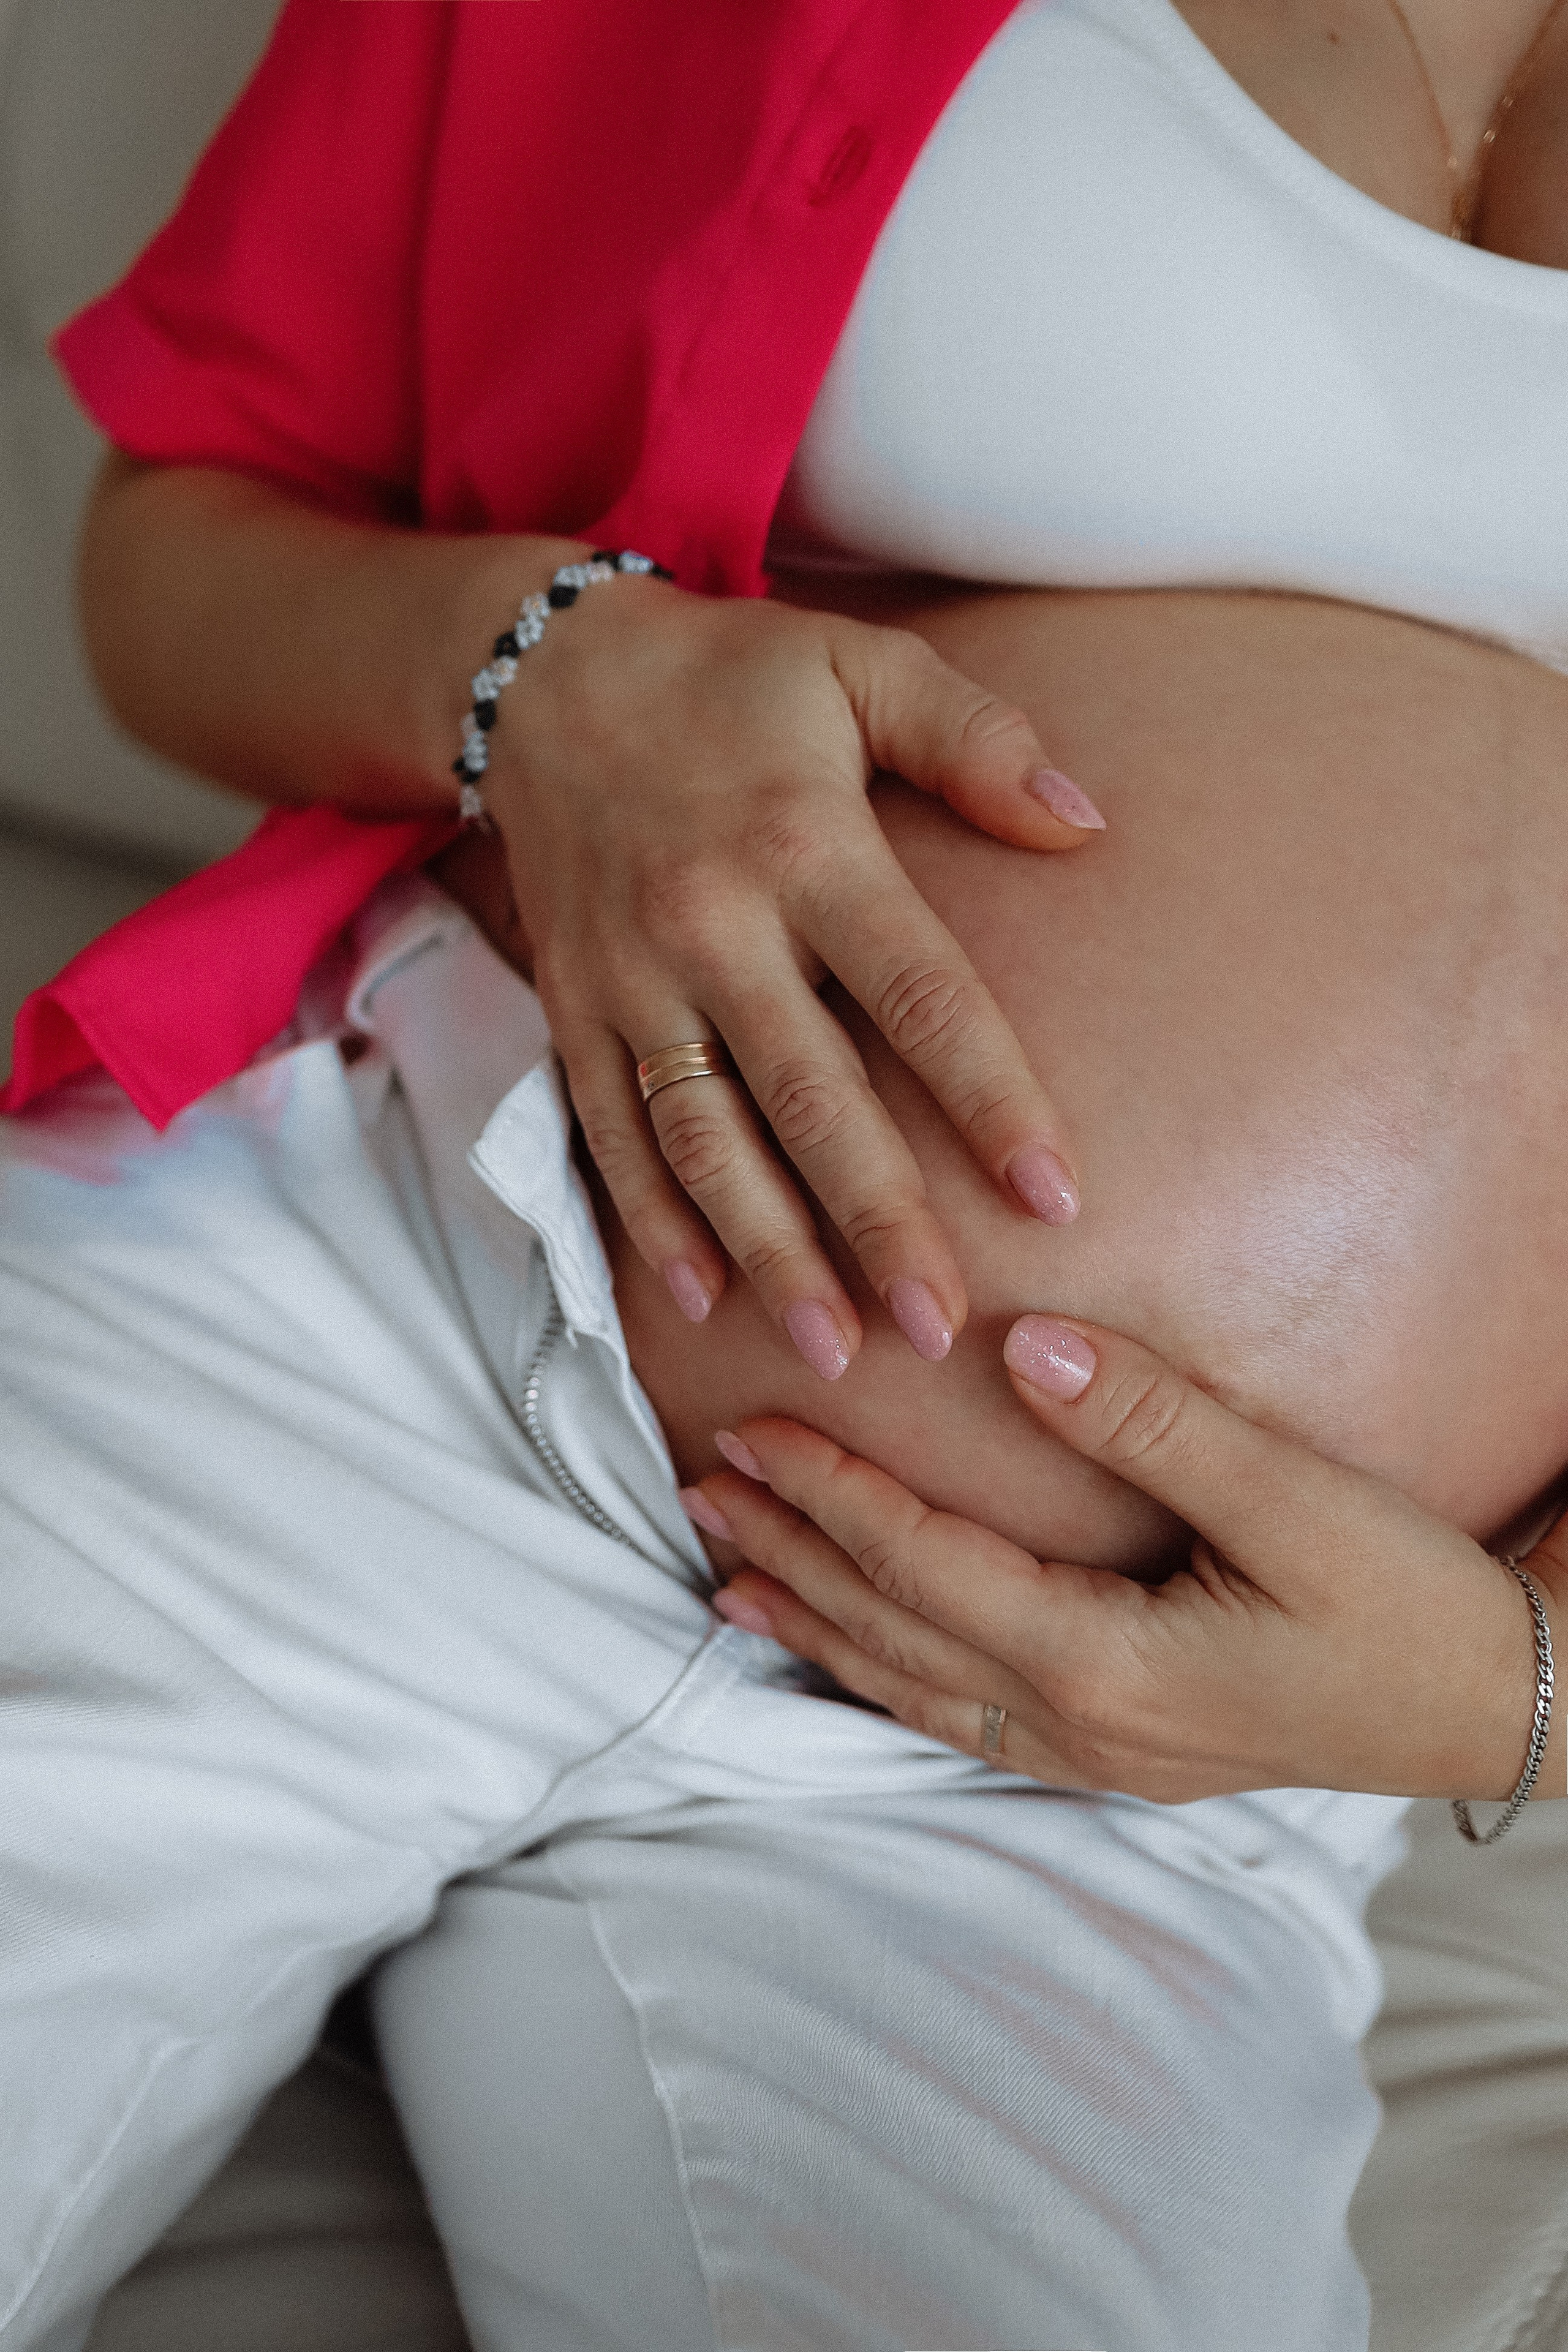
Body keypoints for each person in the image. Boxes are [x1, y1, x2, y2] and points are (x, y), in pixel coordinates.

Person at [3, 0, 1567, 2345]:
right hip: (363, 1323)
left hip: (1104, 1757)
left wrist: (1519, 1690)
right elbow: (179, 545)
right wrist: (547, 676)